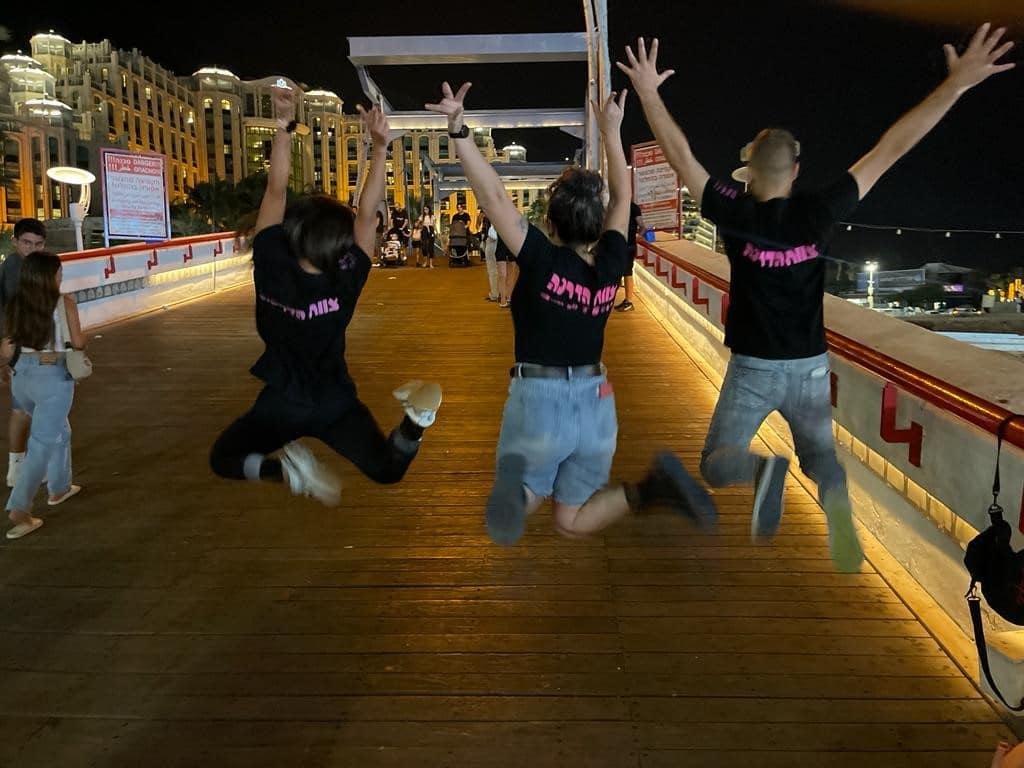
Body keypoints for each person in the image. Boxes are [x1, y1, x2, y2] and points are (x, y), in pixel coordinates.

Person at [617, 27, 1015, 571]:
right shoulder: (819, 211)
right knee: (821, 458)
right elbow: (892, 147)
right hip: (809, 367)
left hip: (754, 367)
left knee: (716, 461)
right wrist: (957, 84)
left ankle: (763, 471)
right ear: (796, 171)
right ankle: (839, 515)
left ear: (748, 176)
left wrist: (647, 92)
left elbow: (679, 153)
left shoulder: (732, 211)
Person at [426, 82, 716, 545]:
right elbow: (622, 198)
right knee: (570, 520)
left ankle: (522, 491)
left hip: (540, 402)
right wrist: (612, 131)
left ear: (550, 223)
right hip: (596, 403)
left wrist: (458, 129)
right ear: (598, 227)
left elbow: (494, 198)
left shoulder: (542, 260)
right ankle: (651, 488)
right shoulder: (610, 262)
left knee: (520, 501)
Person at [209, 84, 442, 505]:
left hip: (283, 401)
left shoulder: (273, 263)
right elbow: (368, 214)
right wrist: (379, 148)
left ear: (296, 232)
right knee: (387, 469)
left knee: (224, 458)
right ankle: (416, 421)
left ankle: (285, 472)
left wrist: (283, 125)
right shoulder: (346, 277)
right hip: (334, 400)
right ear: (339, 247)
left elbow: (276, 192)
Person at [1, 251, 86, 539]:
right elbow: (78, 342)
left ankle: (59, 488)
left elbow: (6, 347)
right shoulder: (64, 302)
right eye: (59, 272)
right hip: (53, 376)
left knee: (59, 429)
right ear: (50, 276)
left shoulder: (16, 304)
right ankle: (20, 509)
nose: (61, 276)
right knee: (41, 444)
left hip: (21, 377)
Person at [1, 218, 46, 487]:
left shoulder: (28, 267)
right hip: (22, 349)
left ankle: (20, 467)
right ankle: (23, 469)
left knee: (26, 409)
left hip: (27, 348)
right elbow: (13, 310)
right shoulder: (15, 269)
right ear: (15, 241)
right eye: (27, 243)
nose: (32, 249)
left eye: (38, 244)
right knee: (27, 410)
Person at [614, 202, 644, 312]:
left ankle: (629, 301)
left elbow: (642, 226)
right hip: (621, 244)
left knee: (627, 272)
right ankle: (626, 300)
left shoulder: (631, 207)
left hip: (627, 245)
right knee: (623, 272)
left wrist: (638, 235)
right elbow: (642, 227)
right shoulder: (627, 206)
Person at [480, 210, 499, 301]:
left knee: (492, 270)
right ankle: (504, 294)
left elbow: (485, 231)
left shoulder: (488, 216)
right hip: (503, 243)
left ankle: (495, 294)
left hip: (492, 241)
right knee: (503, 270)